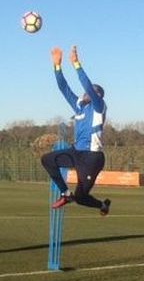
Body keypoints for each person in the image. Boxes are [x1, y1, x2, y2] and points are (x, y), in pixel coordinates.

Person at [41, 45, 111, 216]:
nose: (86, 93)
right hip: (76, 152)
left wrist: (76, 64)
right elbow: (63, 88)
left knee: (81, 197)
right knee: (47, 160)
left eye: (92, 91)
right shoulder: (79, 107)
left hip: (91, 157)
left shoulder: (98, 106)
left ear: (98, 96)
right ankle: (65, 194)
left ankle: (102, 205)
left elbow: (87, 86)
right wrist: (57, 66)